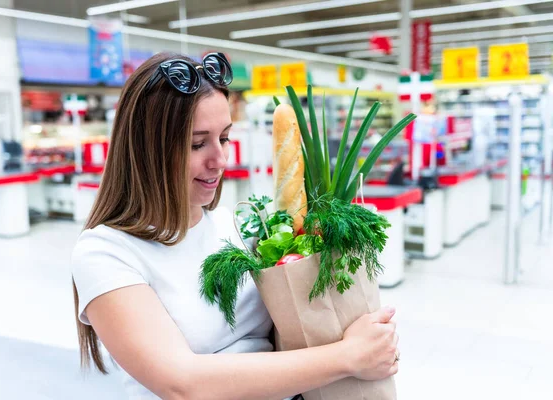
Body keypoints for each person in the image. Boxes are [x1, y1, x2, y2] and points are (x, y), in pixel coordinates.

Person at [71, 52, 399, 400]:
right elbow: (183, 383)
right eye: (197, 144)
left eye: (224, 138)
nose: (220, 160)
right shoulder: (105, 253)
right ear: (146, 150)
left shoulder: (234, 226)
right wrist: (348, 357)